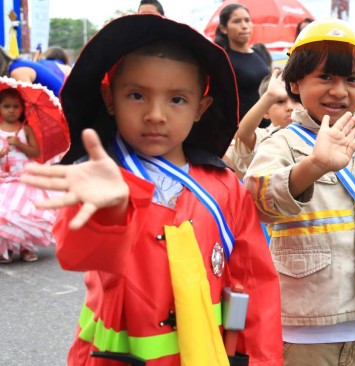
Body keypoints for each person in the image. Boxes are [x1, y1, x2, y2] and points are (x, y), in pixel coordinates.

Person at [21, 14, 283, 365]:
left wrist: (262, 361)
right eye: (136, 95)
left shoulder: (225, 188)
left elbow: (255, 286)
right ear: (109, 98)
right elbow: (76, 253)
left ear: (200, 108)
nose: (156, 114)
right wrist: (109, 213)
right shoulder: (101, 179)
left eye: (177, 99)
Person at [244, 18, 355, 365]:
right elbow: (255, 202)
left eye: (351, 79)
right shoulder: (283, 143)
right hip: (305, 323)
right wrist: (314, 165)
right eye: (325, 77)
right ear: (295, 81)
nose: (339, 91)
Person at [0, 87, 54, 263]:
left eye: (15, 106)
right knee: (6, 214)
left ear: (22, 109)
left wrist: (19, 144)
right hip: (4, 179)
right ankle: (5, 248)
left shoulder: (26, 129)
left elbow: (35, 152)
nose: (11, 110)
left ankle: (25, 248)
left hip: (24, 178)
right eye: (6, 106)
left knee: (25, 213)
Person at [224, 68, 301, 178]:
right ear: (265, 112)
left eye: (296, 99)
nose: (290, 107)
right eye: (280, 101)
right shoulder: (264, 136)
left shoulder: (317, 133)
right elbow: (243, 134)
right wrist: (270, 96)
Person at [215, 4, 271, 122]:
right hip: (243, 128)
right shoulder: (224, 60)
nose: (244, 26)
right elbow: (221, 101)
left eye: (247, 20)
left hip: (269, 126)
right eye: (236, 21)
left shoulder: (259, 52)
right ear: (224, 28)